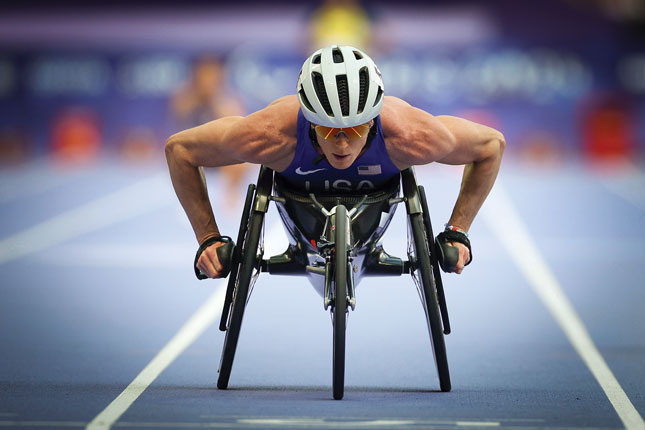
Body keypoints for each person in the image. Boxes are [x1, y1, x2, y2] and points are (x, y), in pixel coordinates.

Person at [166, 45, 505, 279]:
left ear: (373, 119)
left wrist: (458, 232)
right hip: (298, 205)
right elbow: (180, 150)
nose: (342, 142)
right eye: (329, 130)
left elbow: (491, 145)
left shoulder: (413, 135)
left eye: (355, 128)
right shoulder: (270, 134)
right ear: (310, 120)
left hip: (376, 202)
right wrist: (208, 239)